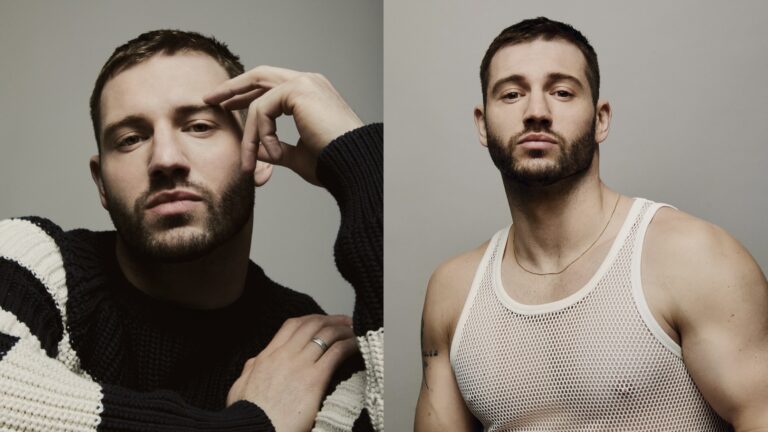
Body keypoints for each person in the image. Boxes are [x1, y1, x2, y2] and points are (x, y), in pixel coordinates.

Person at [0, 30, 382, 432]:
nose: (165, 159)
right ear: (101, 184)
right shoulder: (34, 263)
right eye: (131, 139)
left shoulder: (307, 350)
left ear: (261, 153)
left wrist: (360, 161)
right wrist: (250, 426)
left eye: (199, 126)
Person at [415, 17, 767, 431]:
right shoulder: (453, 292)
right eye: (511, 94)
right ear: (482, 123)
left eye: (562, 92)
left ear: (601, 119)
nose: (536, 112)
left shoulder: (692, 257)